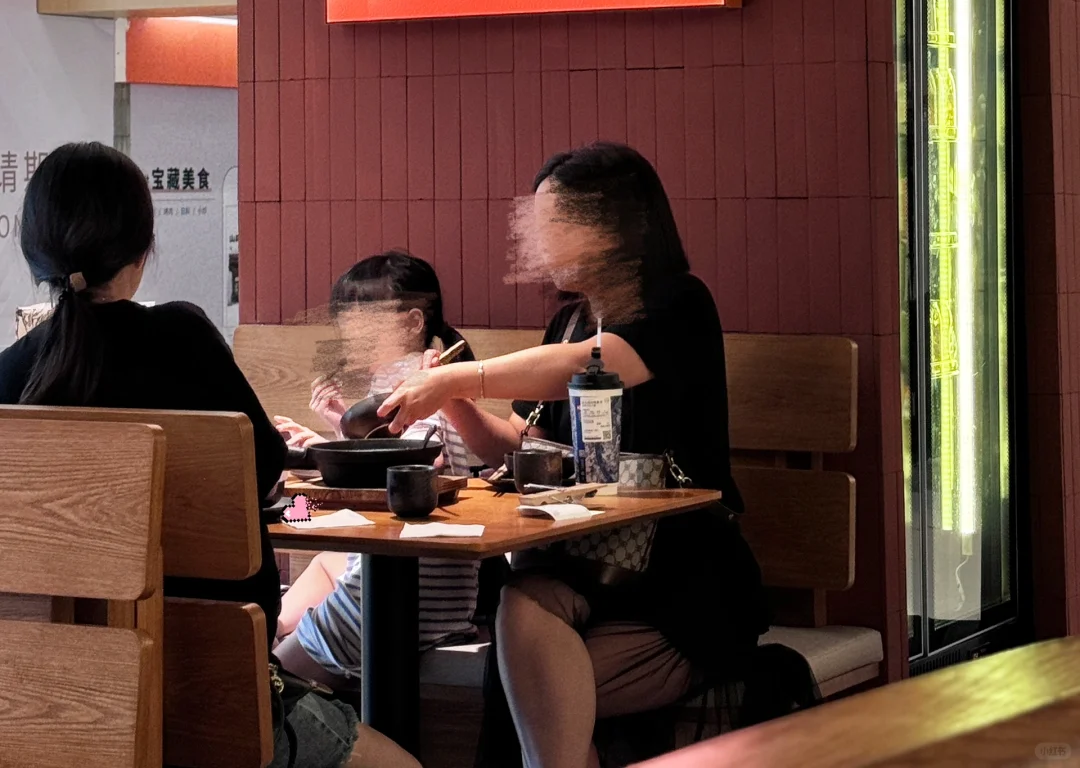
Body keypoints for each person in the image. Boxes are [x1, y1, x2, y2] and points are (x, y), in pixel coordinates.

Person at [0, 142, 419, 768]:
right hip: (212, 692)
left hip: (46, 704)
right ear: (142, 250)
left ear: (34, 252)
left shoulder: (10, 377)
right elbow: (268, 483)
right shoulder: (182, 336)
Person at [379, 143, 769, 768]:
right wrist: (449, 401)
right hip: (584, 568)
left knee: (530, 678)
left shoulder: (677, 305)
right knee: (521, 617)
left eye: (556, 222)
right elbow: (514, 443)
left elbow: (592, 365)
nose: (540, 241)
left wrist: (457, 377)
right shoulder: (567, 322)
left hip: (680, 583)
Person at [273, 253, 480, 684]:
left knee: (269, 685)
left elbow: (407, 473)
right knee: (323, 564)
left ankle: (275, 656)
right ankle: (273, 635)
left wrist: (324, 453)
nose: (349, 331)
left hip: (408, 596)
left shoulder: (419, 386)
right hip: (443, 598)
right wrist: (338, 434)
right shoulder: (406, 381)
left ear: (412, 323)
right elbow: (393, 462)